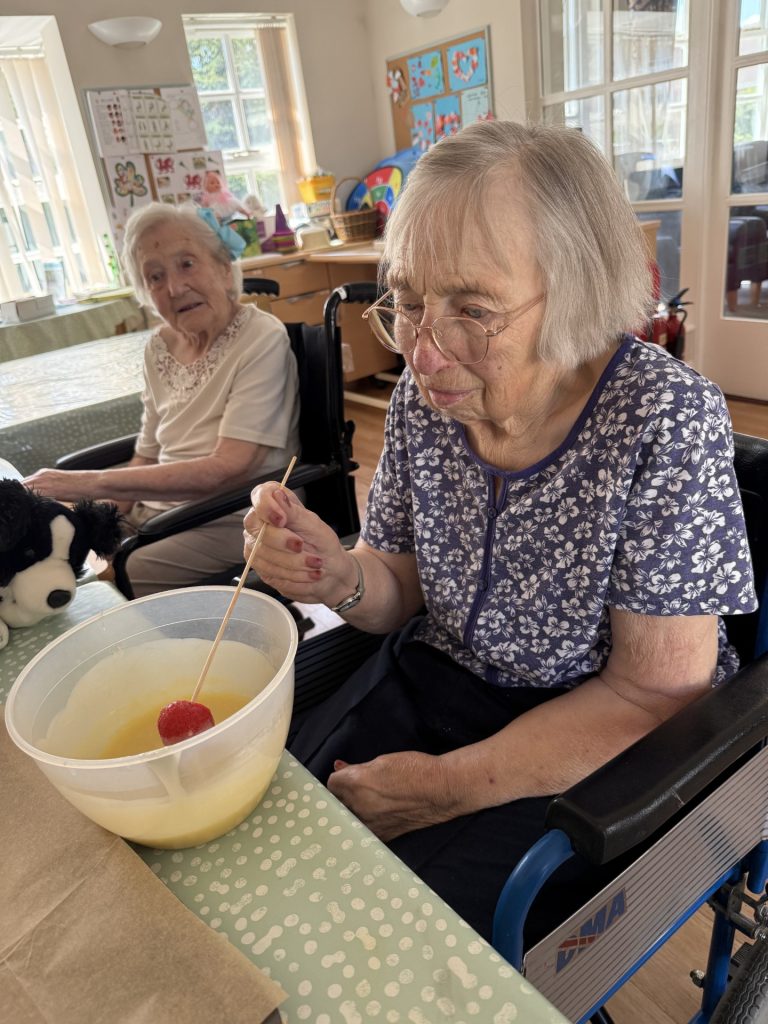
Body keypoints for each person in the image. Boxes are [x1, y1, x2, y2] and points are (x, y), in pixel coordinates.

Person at [243, 121, 757, 945]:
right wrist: (337, 573)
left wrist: (447, 787)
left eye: (471, 310)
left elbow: (655, 694)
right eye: (407, 303)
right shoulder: (427, 394)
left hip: (593, 740)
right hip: (437, 674)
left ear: (578, 287)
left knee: (400, 944)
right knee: (275, 846)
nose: (424, 353)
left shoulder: (664, 419)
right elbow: (401, 584)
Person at [24, 202, 299, 598]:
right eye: (155, 276)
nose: (174, 287)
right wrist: (97, 518)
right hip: (161, 514)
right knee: (58, 558)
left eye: (187, 264)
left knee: (110, 583)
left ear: (224, 267)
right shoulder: (159, 348)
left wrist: (82, 482)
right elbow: (147, 455)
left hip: (240, 512)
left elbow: (228, 467)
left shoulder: (262, 338)